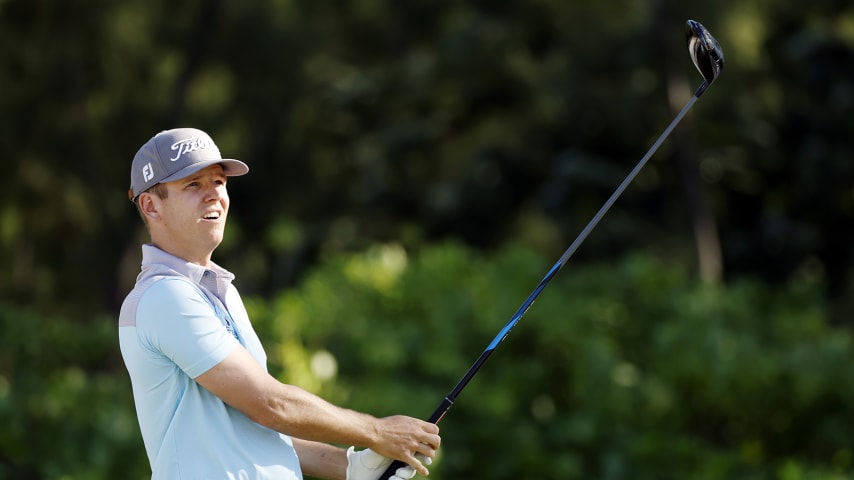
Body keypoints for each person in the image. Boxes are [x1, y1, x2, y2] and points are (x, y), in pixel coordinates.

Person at [119, 128, 440, 480]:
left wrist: (352, 467)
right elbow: (270, 405)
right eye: (193, 185)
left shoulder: (219, 290)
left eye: (219, 182)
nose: (213, 195)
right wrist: (377, 432)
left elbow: (255, 430)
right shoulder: (164, 296)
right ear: (151, 206)